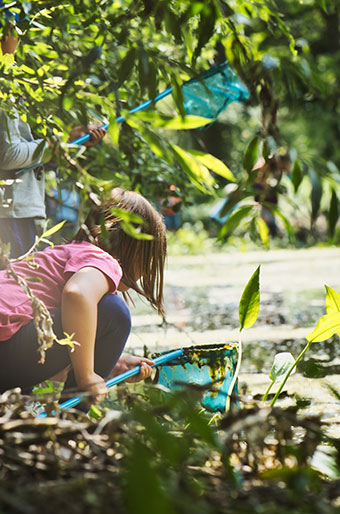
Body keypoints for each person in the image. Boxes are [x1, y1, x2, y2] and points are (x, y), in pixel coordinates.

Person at [0, 188, 167, 402]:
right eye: (148, 258)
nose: (146, 268)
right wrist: (86, 375)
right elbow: (77, 294)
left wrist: (113, 364)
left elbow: (68, 324)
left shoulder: (68, 253)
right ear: (133, 246)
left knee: (89, 316)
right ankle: (72, 417)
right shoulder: (102, 260)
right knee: (114, 312)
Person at [0, 26, 106, 258]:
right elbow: (9, 156)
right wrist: (55, 146)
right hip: (10, 214)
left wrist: (69, 140)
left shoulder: (11, 85)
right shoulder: (5, 88)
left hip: (18, 210)